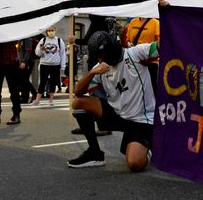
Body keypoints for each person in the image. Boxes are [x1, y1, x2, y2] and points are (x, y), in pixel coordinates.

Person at [67, 30, 158, 170]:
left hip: (141, 119)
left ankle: (150, 147)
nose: (100, 60)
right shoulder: (100, 67)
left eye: (102, 56)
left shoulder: (135, 53)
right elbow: (78, 92)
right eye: (98, 57)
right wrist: (92, 73)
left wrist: (167, 14)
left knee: (135, 163)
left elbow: (160, 46)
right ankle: (95, 153)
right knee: (78, 102)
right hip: (117, 115)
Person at [68, 14, 115, 136]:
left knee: (98, 95)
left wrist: (76, 40)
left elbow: (90, 41)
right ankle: (87, 125)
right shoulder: (98, 23)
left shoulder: (102, 23)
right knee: (92, 94)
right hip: (94, 65)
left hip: (99, 64)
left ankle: (104, 125)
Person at [121, 16, 160, 92]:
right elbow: (127, 38)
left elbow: (160, 42)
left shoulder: (156, 23)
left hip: (150, 62)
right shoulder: (133, 22)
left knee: (151, 87)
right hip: (135, 61)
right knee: (135, 86)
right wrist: (128, 43)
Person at [32, 26, 66, 107]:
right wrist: (41, 49)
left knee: (53, 83)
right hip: (45, 64)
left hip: (55, 65)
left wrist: (63, 66)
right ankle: (37, 100)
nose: (51, 32)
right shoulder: (43, 40)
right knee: (42, 82)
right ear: (46, 32)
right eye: (49, 30)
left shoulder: (59, 40)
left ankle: (51, 100)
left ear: (55, 30)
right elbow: (37, 53)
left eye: (52, 30)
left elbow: (63, 54)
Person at [17, 37, 37, 104]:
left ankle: (34, 94)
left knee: (24, 80)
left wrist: (24, 62)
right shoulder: (21, 39)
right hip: (21, 62)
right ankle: (24, 98)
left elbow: (28, 51)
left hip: (27, 62)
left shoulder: (27, 39)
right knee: (23, 81)